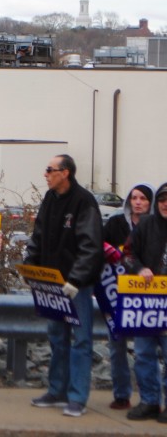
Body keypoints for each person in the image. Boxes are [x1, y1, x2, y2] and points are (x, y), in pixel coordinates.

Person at [24, 154, 104, 418]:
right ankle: (57, 390)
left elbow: (90, 246)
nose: (45, 174)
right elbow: (38, 234)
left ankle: (77, 397)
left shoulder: (84, 201)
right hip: (51, 283)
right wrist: (30, 264)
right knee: (57, 337)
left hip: (76, 286)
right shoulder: (49, 199)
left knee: (81, 340)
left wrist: (77, 279)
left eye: (50, 169)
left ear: (65, 173)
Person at [102, 183, 154, 411]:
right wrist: (108, 250)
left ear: (150, 202)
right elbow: (98, 244)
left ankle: (149, 399)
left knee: (146, 350)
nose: (138, 202)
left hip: (148, 297)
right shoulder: (115, 223)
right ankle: (122, 394)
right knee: (117, 345)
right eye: (134, 198)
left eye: (143, 198)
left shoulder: (157, 227)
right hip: (117, 295)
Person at [122, 182, 167, 424]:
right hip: (145, 304)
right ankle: (149, 401)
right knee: (144, 354)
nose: (165, 203)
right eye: (162, 199)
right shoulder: (146, 225)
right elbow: (127, 253)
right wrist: (139, 268)